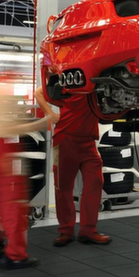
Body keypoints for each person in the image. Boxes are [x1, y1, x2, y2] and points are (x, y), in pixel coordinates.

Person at [0, 93, 59, 269]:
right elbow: (13, 129)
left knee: (0, 208)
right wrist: (45, 121)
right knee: (13, 210)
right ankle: (15, 256)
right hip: (2, 166)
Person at [35, 87, 111, 247]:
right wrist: (50, 114)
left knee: (95, 183)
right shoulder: (66, 79)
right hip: (65, 140)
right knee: (63, 188)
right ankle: (66, 231)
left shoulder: (96, 83)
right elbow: (38, 93)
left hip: (89, 142)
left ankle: (88, 231)